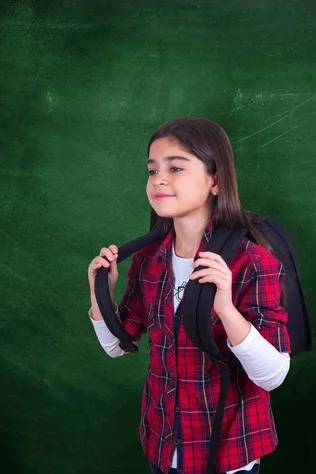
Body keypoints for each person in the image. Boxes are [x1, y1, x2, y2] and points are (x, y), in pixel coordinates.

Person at [87, 117, 291, 474]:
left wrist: (226, 309)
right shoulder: (150, 259)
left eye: (176, 167)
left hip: (228, 455)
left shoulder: (253, 262)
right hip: (163, 448)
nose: (159, 179)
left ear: (215, 180)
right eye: (152, 170)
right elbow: (117, 346)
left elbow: (272, 375)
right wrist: (99, 295)